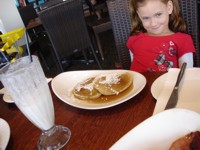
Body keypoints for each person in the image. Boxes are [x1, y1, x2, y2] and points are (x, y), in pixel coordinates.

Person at [127, 0, 196, 72]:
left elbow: (186, 74)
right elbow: (133, 72)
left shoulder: (183, 40)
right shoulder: (133, 40)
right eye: (146, 18)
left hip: (169, 83)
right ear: (139, 15)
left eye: (158, 14)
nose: (153, 23)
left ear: (169, 7)